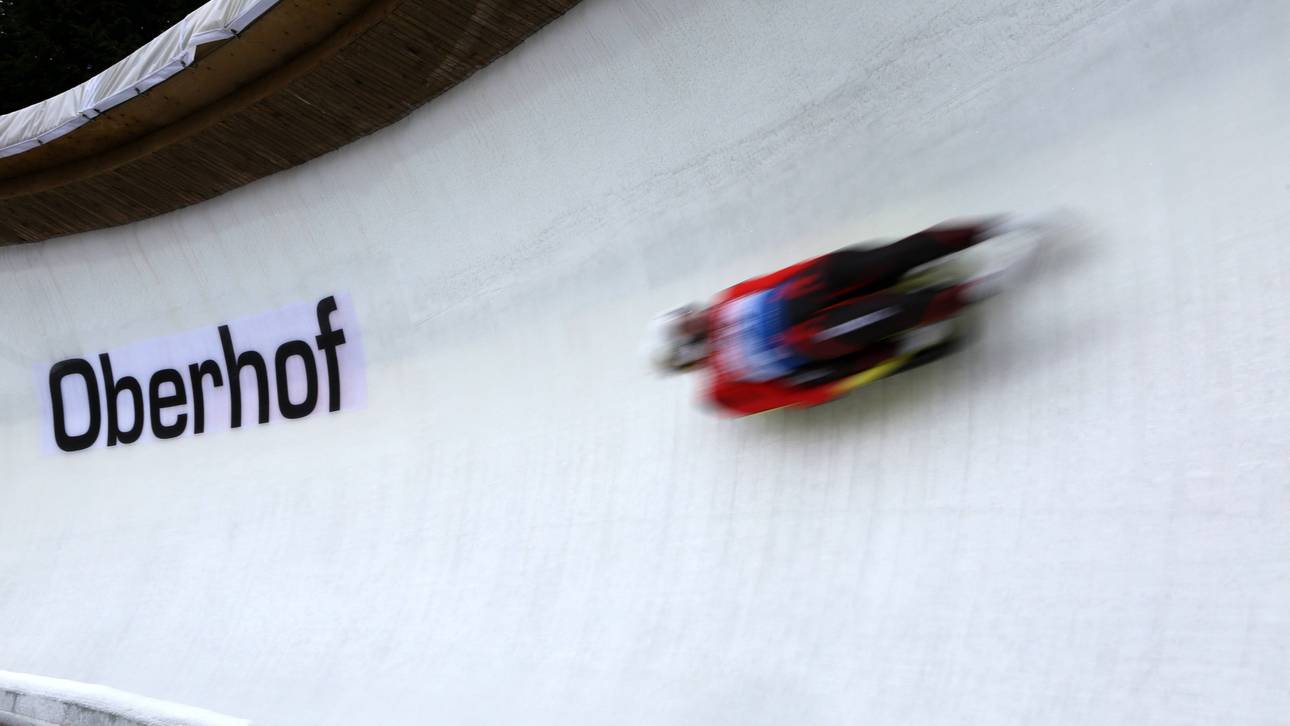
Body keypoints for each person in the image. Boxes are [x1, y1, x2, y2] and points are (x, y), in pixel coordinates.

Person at [645, 216, 1044, 415]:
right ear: (686, 348)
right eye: (686, 324)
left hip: (813, 286)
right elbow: (799, 392)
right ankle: (988, 284)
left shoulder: (727, 300)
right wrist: (884, 361)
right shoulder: (722, 391)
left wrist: (846, 257)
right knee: (813, 336)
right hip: (811, 338)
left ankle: (1001, 226)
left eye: (686, 315)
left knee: (894, 256)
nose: (695, 316)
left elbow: (780, 279)